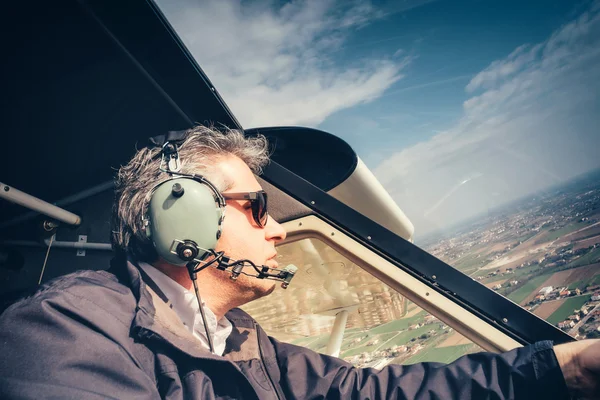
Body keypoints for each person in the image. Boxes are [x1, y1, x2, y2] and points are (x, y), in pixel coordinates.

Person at [0, 125, 598, 400]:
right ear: (184, 218)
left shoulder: (238, 341)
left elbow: (380, 393)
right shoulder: (62, 333)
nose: (279, 230)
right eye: (257, 208)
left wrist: (564, 368)